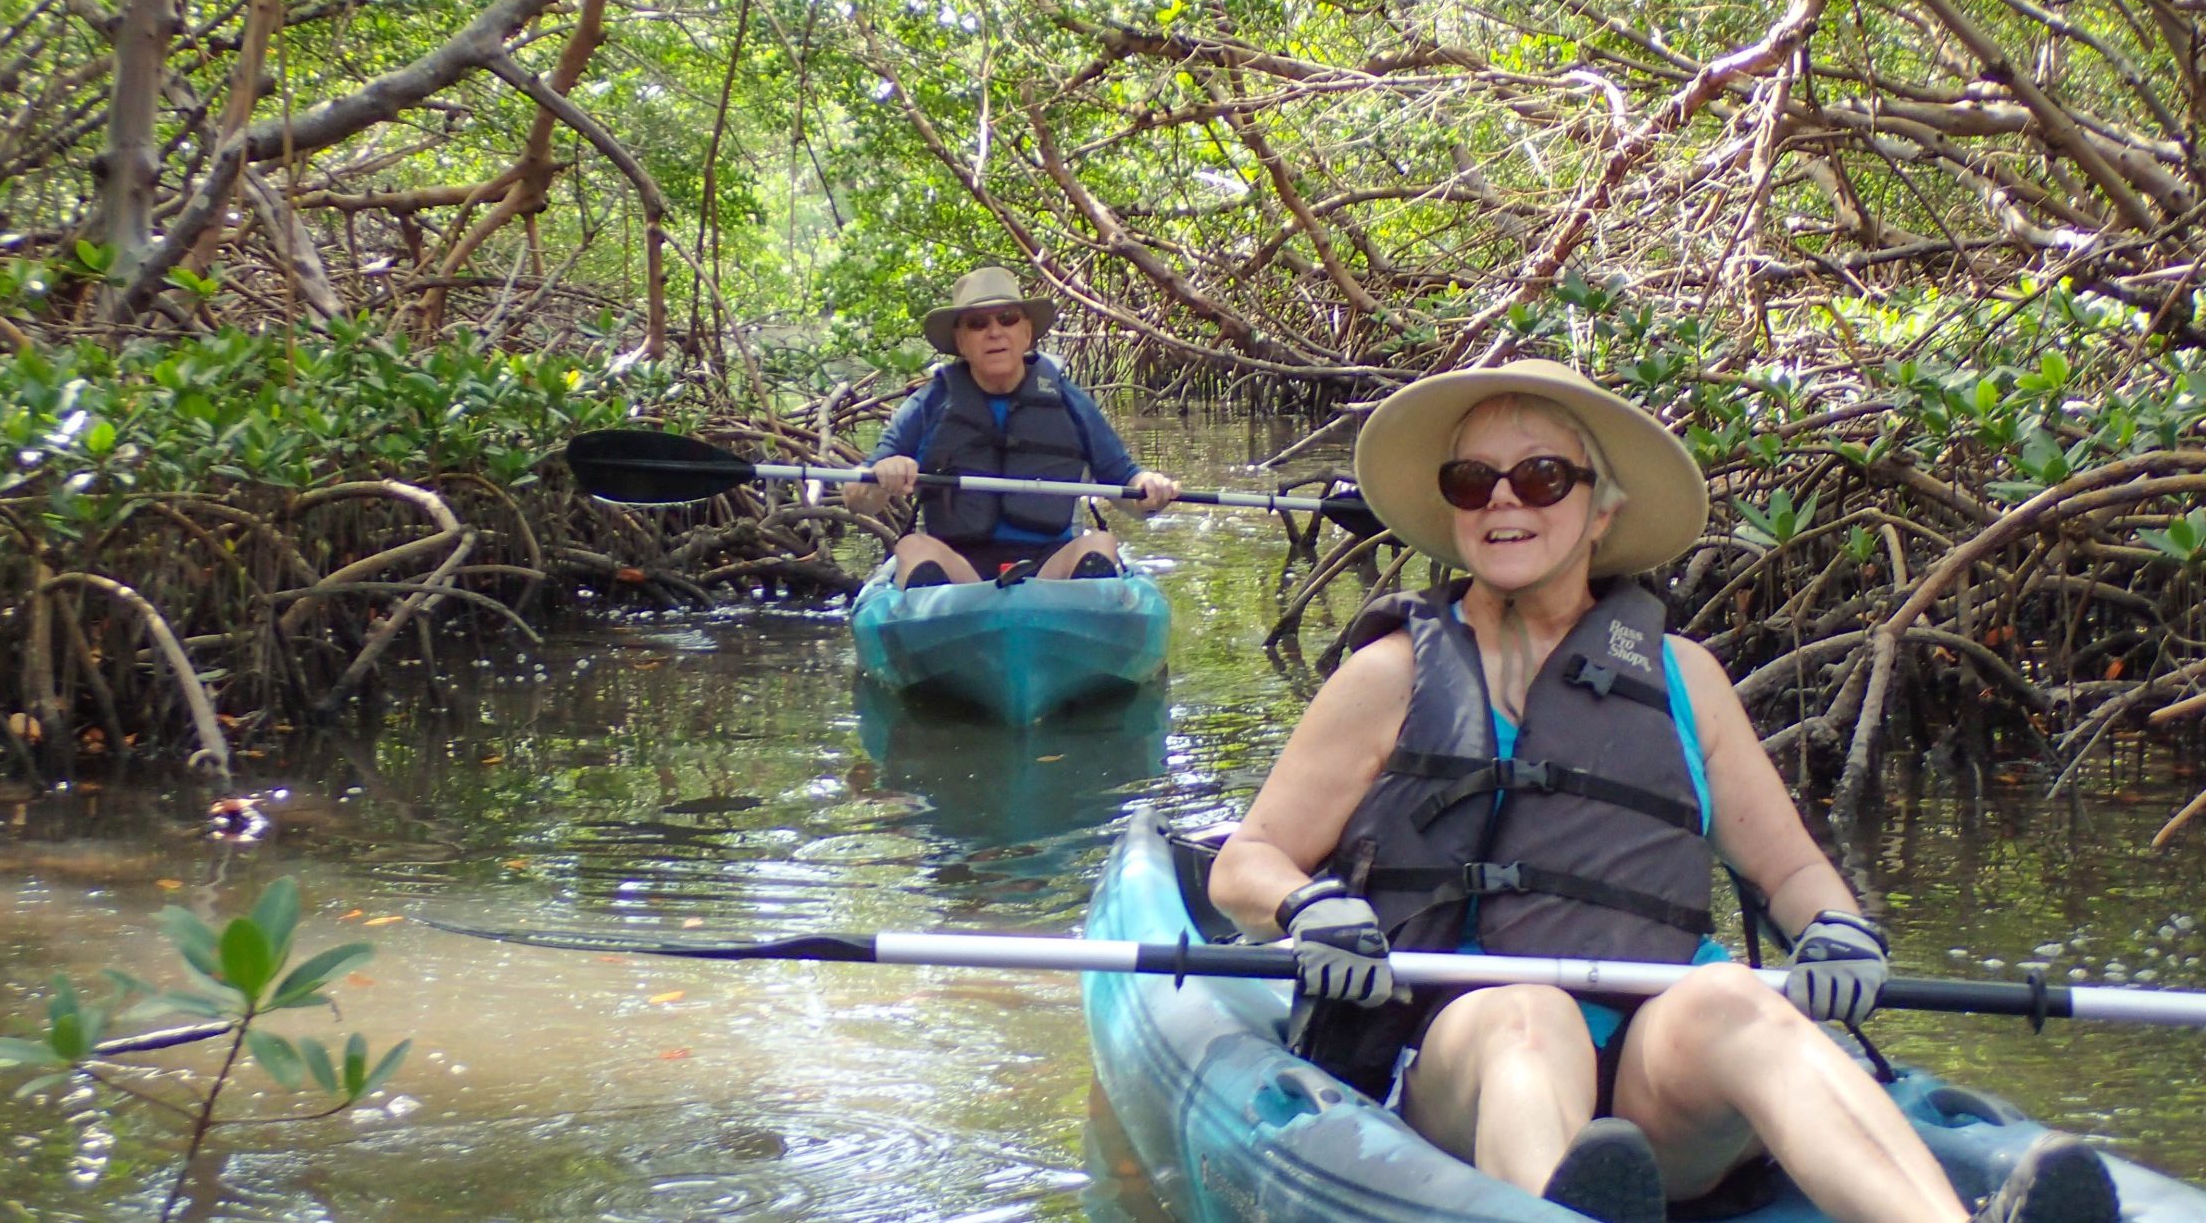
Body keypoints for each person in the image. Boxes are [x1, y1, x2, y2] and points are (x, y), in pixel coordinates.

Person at [1206, 360, 2118, 1223]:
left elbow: (1789, 865)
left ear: (1602, 509)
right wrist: (1304, 905)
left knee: (1737, 1003)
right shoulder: (1388, 675)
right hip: (1466, 1049)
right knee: (1532, 1014)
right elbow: (1244, 863)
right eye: (1472, 481)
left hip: (1659, 1069)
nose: (1504, 502)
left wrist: (1835, 929)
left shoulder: (1683, 676)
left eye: (1543, 477)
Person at [841, 266, 1180, 586]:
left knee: (1100, 544)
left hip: (1050, 569)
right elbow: (857, 499)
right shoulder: (930, 403)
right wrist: (883, 477)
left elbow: (1125, 483)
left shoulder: (1068, 401)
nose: (994, 332)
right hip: (959, 569)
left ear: (1026, 332)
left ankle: (1076, 618)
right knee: (912, 548)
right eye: (977, 323)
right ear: (961, 342)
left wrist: (1150, 488)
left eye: (1007, 319)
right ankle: (939, 624)